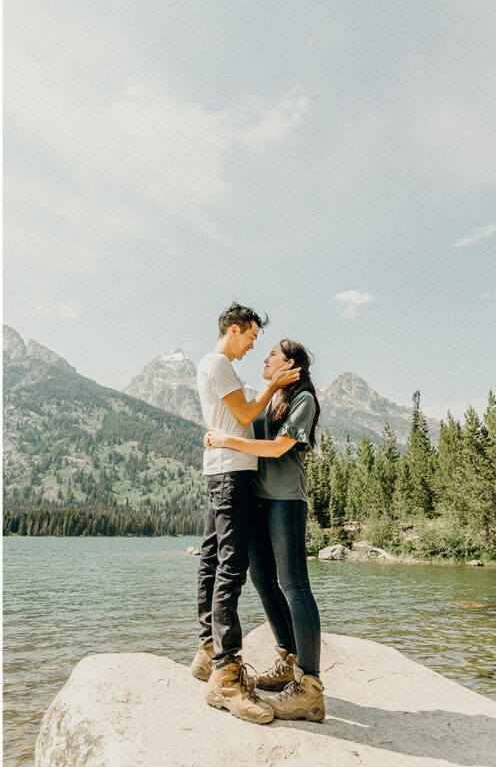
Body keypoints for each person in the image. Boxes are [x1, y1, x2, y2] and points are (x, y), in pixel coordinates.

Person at [190, 302, 300, 725]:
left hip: (223, 473)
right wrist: (273, 387)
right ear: (234, 330)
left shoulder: (218, 366)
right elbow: (245, 414)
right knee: (231, 569)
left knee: (212, 561)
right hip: (231, 476)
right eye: (251, 337)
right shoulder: (218, 364)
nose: (253, 346)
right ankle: (226, 674)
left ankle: (208, 651)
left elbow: (233, 420)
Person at [205, 339, 325, 722]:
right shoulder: (268, 397)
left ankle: (310, 689)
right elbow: (240, 419)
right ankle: (289, 661)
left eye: (271, 354)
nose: (264, 357)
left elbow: (275, 449)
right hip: (257, 499)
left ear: (289, 363)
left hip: (285, 500)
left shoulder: (303, 400)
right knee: (262, 580)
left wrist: (224, 440)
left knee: (294, 585)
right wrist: (216, 435)